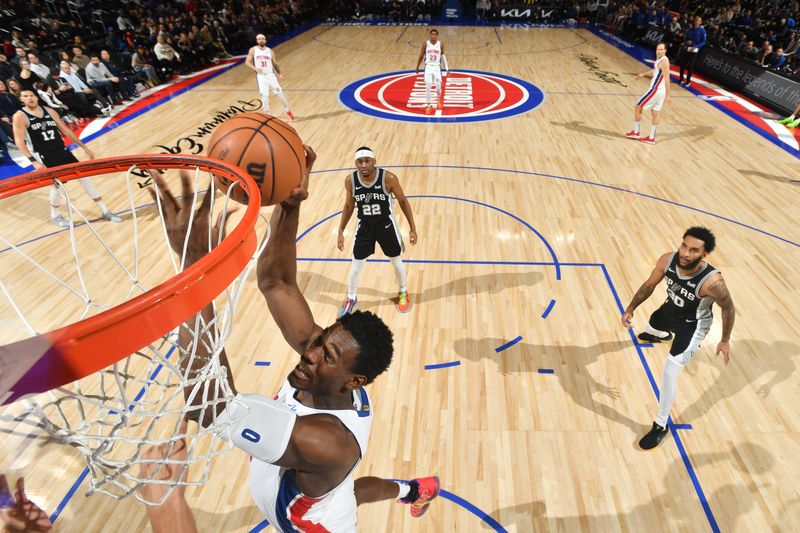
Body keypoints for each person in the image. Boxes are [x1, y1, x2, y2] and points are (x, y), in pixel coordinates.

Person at [144, 145, 438, 532]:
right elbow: (277, 282)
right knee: (343, 489)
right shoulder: (328, 371)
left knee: (342, 496)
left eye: (327, 354)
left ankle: (411, 489)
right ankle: (413, 490)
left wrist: (193, 273)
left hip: (315, 527)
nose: (311, 351)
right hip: (318, 479)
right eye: (321, 340)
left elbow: (211, 407)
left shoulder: (325, 442)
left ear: (353, 382)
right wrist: (289, 203)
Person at [621, 227, 735, 450]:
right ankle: (662, 334)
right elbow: (649, 285)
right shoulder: (668, 259)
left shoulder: (713, 282)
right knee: (650, 327)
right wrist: (631, 308)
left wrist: (724, 340)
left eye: (694, 250)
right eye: (684, 246)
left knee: (669, 371)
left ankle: (661, 424)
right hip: (670, 310)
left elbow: (729, 308)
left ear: (704, 255)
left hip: (692, 326)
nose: (685, 253)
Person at [12, 89, 121, 227]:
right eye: (25, 96)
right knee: (58, 187)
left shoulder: (50, 111)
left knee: (85, 178)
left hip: (62, 151)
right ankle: (55, 215)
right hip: (43, 156)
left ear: (37, 97)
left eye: (31, 95)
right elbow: (19, 142)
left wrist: (83, 147)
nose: (29, 98)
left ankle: (105, 211)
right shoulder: (20, 116)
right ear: (21, 99)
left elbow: (66, 130)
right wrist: (33, 162)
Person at [336, 146, 418, 316]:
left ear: (374, 161)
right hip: (364, 226)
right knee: (356, 264)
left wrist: (412, 228)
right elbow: (349, 206)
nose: (364, 165)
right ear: (355, 163)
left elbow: (403, 201)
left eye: (367, 161)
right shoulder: (350, 181)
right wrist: (341, 231)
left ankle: (403, 291)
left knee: (395, 260)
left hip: (386, 226)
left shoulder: (388, 178)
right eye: (360, 161)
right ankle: (351, 297)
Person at [625, 42, 671, 145]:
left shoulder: (664, 62)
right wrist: (643, 74)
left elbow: (667, 78)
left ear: (665, 50)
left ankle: (636, 132)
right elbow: (654, 71)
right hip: (660, 92)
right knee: (655, 112)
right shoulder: (660, 60)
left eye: (661, 49)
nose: (658, 51)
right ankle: (651, 137)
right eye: (657, 49)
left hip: (655, 90)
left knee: (638, 107)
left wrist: (668, 95)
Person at [245, 34, 294, 121]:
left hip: (271, 75)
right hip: (261, 76)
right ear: (257, 41)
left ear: (265, 40)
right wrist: (255, 68)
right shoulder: (253, 50)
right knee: (265, 96)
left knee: (280, 94)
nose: (261, 40)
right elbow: (247, 62)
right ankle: (267, 115)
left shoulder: (270, 51)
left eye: (263, 39)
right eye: (259, 39)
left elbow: (275, 63)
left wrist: (279, 73)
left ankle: (288, 111)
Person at [414, 29, 448, 115]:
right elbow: (421, 55)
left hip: (437, 67)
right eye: (432, 34)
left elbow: (443, 56)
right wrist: (417, 66)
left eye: (435, 35)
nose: (433, 36)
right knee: (428, 85)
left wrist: (447, 68)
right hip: (428, 67)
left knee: (438, 86)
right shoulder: (426, 44)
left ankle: (438, 99)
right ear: (430, 35)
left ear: (437, 36)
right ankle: (428, 105)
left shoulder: (441, 44)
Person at [678, 16, 706, 86]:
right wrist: (686, 42)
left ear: (700, 22)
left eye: (698, 21)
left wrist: (696, 46)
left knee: (690, 66)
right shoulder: (690, 30)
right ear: (694, 21)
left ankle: (688, 81)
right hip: (687, 49)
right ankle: (681, 78)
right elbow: (686, 39)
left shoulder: (702, 31)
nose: (697, 22)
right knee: (682, 64)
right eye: (696, 21)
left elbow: (704, 41)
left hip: (694, 51)